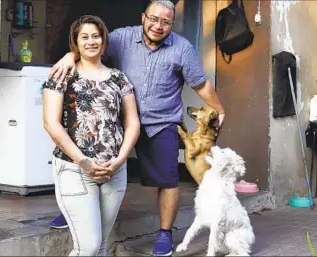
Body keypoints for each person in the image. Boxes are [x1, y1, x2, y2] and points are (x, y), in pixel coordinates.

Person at [49, 1, 225, 256]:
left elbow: (200, 84)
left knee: (167, 179)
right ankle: (73, 210)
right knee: (91, 154)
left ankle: (164, 233)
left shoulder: (182, 48)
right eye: (153, 19)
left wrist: (220, 109)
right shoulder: (121, 38)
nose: (158, 26)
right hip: (121, 117)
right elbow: (91, 50)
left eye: (165, 22)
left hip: (161, 122)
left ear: (171, 25)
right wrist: (70, 55)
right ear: (143, 17)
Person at [43, 15, 140, 256]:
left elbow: (132, 122)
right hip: (75, 169)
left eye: (95, 36)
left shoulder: (119, 78)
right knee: (87, 247)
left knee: (102, 247)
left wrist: (120, 160)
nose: (91, 41)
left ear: (103, 39)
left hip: (114, 170)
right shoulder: (61, 74)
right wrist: (83, 161)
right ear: (75, 42)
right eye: (84, 37)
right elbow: (51, 123)